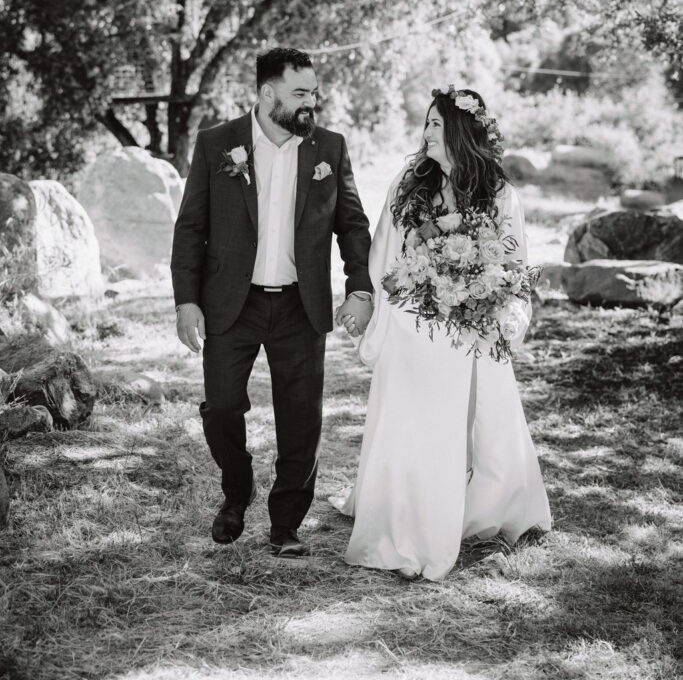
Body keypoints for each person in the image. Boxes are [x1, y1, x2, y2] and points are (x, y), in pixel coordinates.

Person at [332, 87, 551, 581]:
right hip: (412, 324)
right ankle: (404, 511)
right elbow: (385, 253)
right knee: (410, 420)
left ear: (458, 131)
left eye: (435, 124)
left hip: (468, 330)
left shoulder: (498, 193)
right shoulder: (409, 184)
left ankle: (468, 505)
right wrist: (377, 307)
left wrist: (499, 311)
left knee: (466, 421)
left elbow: (512, 266)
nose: (426, 132)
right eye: (426, 123)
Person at [172, 47, 373, 557]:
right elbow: (191, 227)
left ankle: (285, 525)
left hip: (299, 306)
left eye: (314, 93)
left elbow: (352, 225)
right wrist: (186, 301)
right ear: (267, 93)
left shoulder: (329, 147)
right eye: (300, 93)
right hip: (229, 304)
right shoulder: (218, 143)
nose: (312, 102)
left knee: (301, 417)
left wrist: (360, 287)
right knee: (220, 408)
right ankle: (237, 492)